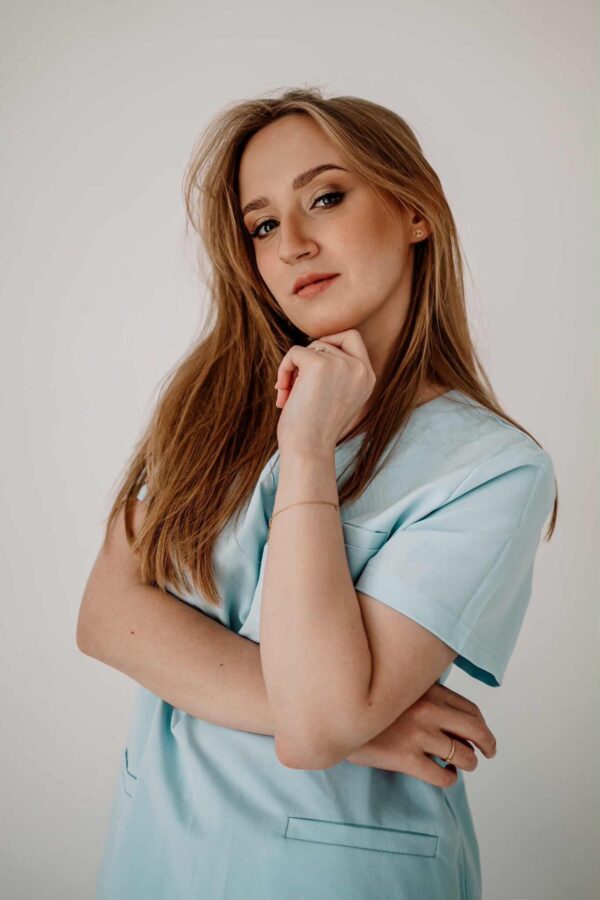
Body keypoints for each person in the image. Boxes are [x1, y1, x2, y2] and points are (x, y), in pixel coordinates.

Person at [77, 87, 558, 900]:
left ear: (414, 210)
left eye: (325, 198)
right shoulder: (213, 402)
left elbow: (316, 729)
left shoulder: (492, 468)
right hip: (154, 857)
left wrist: (305, 450)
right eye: (263, 225)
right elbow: (106, 616)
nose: (293, 244)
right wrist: (360, 725)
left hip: (334, 875)